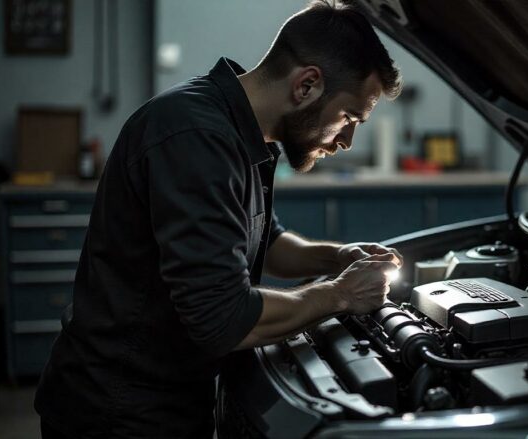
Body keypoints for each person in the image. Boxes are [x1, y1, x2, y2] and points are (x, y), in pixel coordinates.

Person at [34, 1, 402, 437]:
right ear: (306, 85)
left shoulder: (239, 132)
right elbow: (223, 317)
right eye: (348, 117)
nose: (347, 140)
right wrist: (340, 295)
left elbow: (267, 241)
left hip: (162, 397)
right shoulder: (197, 137)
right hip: (118, 412)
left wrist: (337, 257)